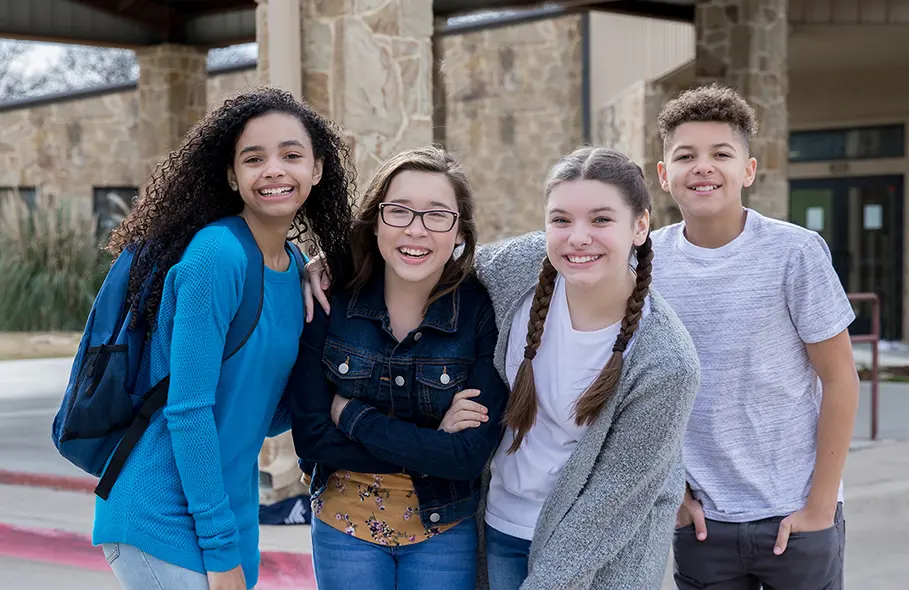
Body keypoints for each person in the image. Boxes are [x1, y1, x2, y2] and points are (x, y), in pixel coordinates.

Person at [303, 146, 701, 588]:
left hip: (596, 558)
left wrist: (351, 415)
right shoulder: (521, 268)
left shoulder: (666, 360)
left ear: (641, 225)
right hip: (501, 526)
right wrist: (331, 266)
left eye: (602, 220)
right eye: (561, 219)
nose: (579, 237)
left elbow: (611, 504)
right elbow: (428, 252)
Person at [92, 87, 355, 590]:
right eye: (254, 159)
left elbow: (262, 410)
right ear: (234, 177)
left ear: (317, 170)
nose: (274, 169)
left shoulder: (293, 265)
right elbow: (189, 411)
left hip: (228, 515)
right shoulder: (217, 256)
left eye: (291, 155)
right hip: (162, 516)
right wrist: (220, 553)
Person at [652, 84, 859, 590]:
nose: (703, 166)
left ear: (748, 169)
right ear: (663, 175)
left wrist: (819, 504)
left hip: (797, 518)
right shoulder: (646, 262)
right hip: (702, 523)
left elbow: (840, 380)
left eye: (721, 153)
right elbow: (647, 389)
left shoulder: (795, 253)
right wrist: (674, 494)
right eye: (686, 156)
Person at [285, 145, 510, 590]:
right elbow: (311, 438)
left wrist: (350, 416)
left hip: (443, 529)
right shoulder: (332, 300)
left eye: (437, 215)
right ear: (375, 221)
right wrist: (432, 444)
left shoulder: (479, 311)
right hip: (343, 526)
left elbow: (467, 457)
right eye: (400, 212)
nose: (416, 230)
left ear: (459, 229)